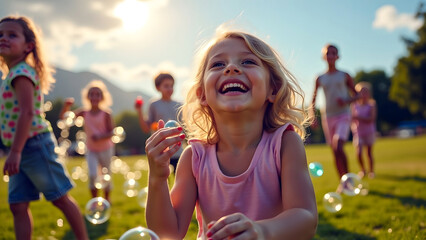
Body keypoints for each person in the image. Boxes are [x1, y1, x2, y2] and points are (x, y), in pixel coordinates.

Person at [144, 30, 317, 239]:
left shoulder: (284, 144)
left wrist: (261, 231)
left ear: (273, 88)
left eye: (248, 62)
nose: (231, 68)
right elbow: (168, 234)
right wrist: (157, 178)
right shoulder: (194, 158)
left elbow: (305, 217)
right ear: (202, 95)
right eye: (218, 64)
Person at [0, 16, 88, 239]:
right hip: (19, 148)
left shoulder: (21, 73)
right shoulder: (11, 74)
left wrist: (16, 151)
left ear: (28, 46)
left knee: (59, 197)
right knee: (18, 205)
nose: (3, 38)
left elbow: (28, 112)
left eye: (12, 35)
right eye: (0, 34)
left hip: (33, 145)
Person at [60, 80, 115, 202]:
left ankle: (106, 199)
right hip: (91, 149)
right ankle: (94, 201)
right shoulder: (84, 112)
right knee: (92, 175)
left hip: (106, 148)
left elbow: (112, 132)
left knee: (106, 175)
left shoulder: (106, 114)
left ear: (102, 97)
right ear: (87, 96)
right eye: (92, 94)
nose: (94, 97)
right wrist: (66, 106)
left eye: (97, 94)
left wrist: (100, 137)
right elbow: (65, 119)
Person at [310, 44, 358, 182]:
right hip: (328, 117)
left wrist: (347, 100)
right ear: (324, 57)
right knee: (334, 151)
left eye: (333, 53)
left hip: (343, 114)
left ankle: (349, 179)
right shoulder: (319, 78)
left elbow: (357, 95)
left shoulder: (344, 75)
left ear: (338, 56)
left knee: (338, 145)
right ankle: (343, 182)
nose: (330, 55)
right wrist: (313, 116)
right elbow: (312, 100)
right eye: (328, 53)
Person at [135, 72, 182, 173]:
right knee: (162, 181)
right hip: (160, 149)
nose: (170, 89)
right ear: (157, 88)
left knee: (179, 182)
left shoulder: (179, 104)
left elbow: (185, 128)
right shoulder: (154, 104)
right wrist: (139, 111)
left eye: (172, 86)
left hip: (177, 149)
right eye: (166, 86)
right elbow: (146, 128)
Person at [351, 82, 376, 179]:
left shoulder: (372, 105)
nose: (363, 94)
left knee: (369, 153)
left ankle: (371, 171)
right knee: (359, 152)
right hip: (358, 132)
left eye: (365, 92)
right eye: (361, 92)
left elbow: (371, 119)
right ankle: (363, 170)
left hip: (369, 131)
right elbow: (351, 118)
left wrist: (358, 117)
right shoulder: (354, 105)